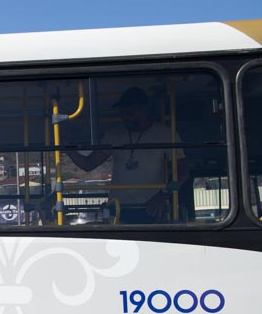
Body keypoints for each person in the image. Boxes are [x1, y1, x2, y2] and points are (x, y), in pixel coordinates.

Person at [67, 87, 188, 223]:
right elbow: (88, 164)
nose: (126, 117)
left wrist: (163, 195)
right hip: (117, 207)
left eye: (131, 111)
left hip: (150, 208)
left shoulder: (166, 134)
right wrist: (67, 148)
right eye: (122, 112)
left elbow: (183, 171)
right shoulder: (113, 135)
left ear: (144, 109)